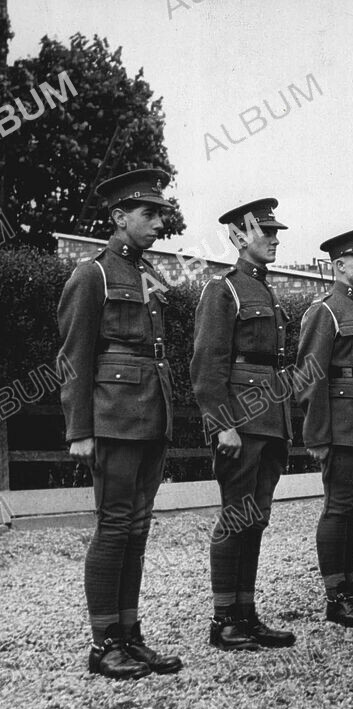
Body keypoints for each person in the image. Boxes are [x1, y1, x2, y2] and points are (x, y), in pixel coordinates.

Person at [57, 168, 183, 680]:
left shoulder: (146, 274)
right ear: (118, 218)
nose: (157, 222)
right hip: (112, 419)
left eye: (160, 213)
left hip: (150, 415)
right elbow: (74, 357)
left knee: (136, 527)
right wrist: (78, 429)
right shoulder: (93, 275)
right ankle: (103, 641)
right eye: (147, 214)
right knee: (113, 527)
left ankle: (130, 636)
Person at [191, 198, 295, 651]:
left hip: (270, 419)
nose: (273, 239)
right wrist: (221, 425)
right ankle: (223, 620)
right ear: (237, 237)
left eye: (275, 233)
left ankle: (246, 613)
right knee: (235, 518)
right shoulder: (224, 290)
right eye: (263, 232)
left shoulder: (266, 291)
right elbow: (207, 364)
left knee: (255, 519)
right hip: (240, 421)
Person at [296, 229, 353, 629]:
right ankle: (337, 595)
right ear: (339, 266)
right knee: (338, 507)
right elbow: (309, 378)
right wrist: (316, 435)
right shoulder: (326, 310)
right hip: (340, 426)